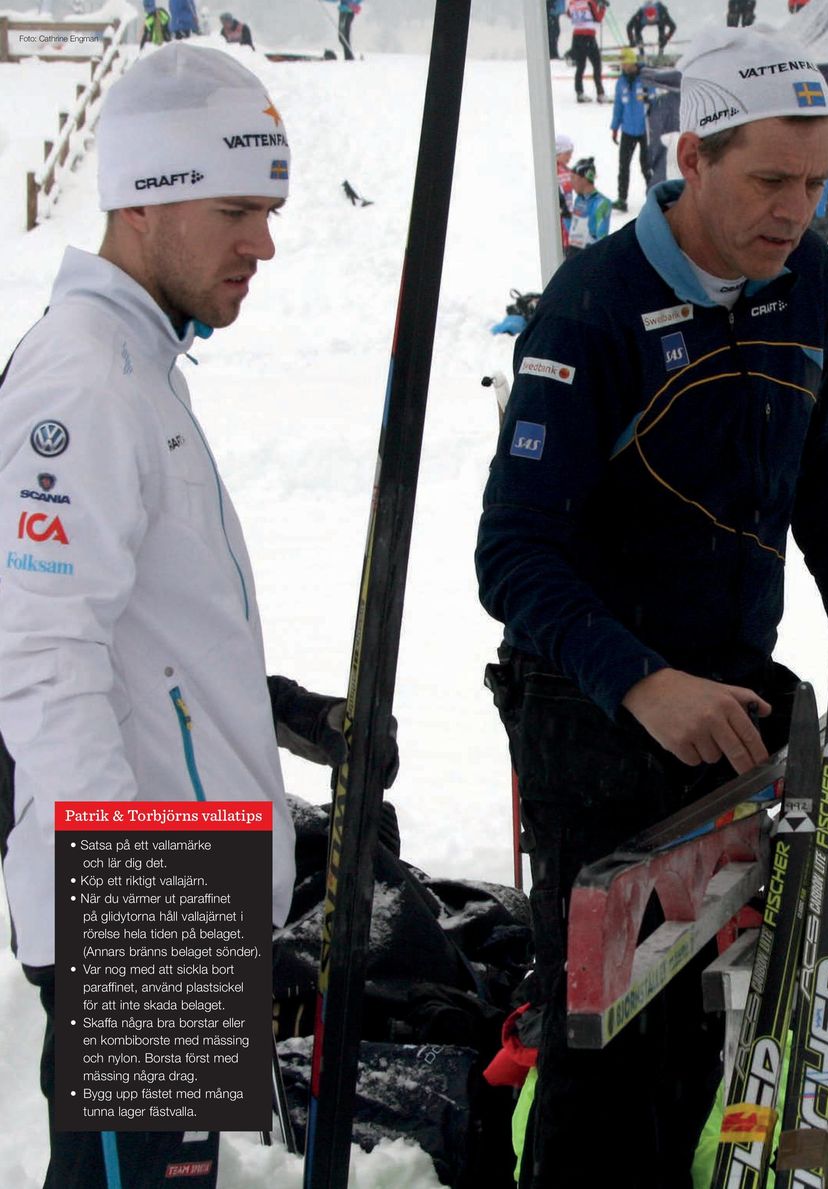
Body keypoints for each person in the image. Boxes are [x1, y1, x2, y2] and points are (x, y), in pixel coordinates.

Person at [476, 25, 828, 1189]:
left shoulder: (804, 274)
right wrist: (639, 680)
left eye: (818, 182)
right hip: (592, 717)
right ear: (691, 159)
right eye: (770, 181)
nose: (796, 211)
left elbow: (823, 473)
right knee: (602, 1048)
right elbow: (512, 553)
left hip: (731, 703)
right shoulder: (593, 310)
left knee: (705, 1032)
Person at [0, 44, 375, 1189]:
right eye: (237, 211)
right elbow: (38, 657)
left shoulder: (139, 365)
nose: (263, 243)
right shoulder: (84, 383)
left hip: (179, 889)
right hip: (144, 901)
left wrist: (270, 708)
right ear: (146, 196)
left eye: (267, 210)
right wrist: (140, 911)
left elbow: (132, 638)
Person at [610, 46, 651, 211]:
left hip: (645, 131)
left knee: (647, 165)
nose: (623, 66)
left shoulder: (645, 79)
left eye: (625, 63)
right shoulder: (621, 82)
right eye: (622, 64)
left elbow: (655, 102)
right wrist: (615, 127)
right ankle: (622, 198)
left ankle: (653, 198)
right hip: (627, 130)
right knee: (623, 165)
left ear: (632, 63)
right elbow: (618, 106)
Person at [564, 157, 612, 257]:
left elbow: (601, 240)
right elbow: (574, 232)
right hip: (574, 255)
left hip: (589, 257)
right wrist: (565, 214)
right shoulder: (579, 199)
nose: (571, 182)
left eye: (573, 178)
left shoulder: (601, 203)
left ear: (584, 179)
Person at [567, 0, 607, 104]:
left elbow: (569, 14)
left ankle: (579, 93)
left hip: (576, 36)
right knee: (597, 64)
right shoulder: (589, 2)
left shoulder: (572, 3)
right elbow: (598, 18)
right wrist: (602, 8)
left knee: (580, 66)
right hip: (588, 36)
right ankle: (600, 94)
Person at [646, 84, 681, 185]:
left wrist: (651, 160)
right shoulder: (694, 100)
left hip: (665, 157)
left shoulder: (660, 103)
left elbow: (655, 137)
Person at [556, 132, 576, 253]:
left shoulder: (568, 170)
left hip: (568, 219)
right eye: (567, 153)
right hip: (560, 220)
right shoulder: (553, 171)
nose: (570, 157)